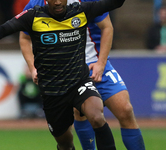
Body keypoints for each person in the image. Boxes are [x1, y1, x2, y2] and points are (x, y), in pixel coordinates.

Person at [0, 0, 125, 149]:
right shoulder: (33, 16)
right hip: (53, 91)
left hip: (79, 81)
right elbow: (8, 26)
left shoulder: (80, 11)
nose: (58, 2)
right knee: (64, 143)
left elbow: (112, 4)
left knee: (97, 117)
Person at [20, 0, 146, 150]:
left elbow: (107, 27)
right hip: (67, 70)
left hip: (97, 64)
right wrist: (33, 68)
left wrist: (101, 63)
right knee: (81, 114)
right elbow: (24, 37)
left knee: (125, 109)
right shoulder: (36, 4)